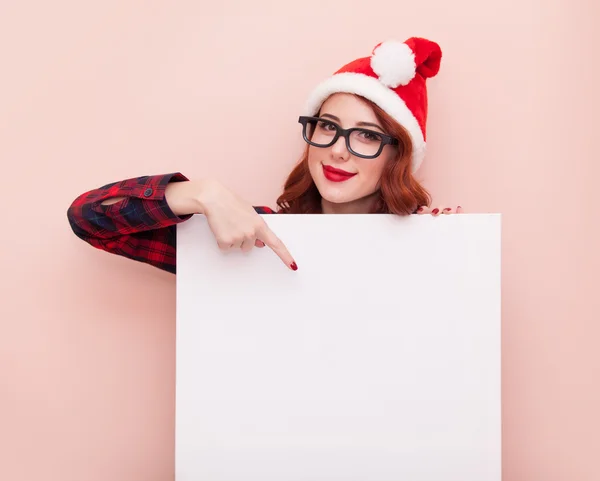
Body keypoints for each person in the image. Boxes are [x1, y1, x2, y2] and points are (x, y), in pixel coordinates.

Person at [67, 37, 459, 275]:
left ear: (397, 156)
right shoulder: (252, 239)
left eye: (367, 136)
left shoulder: (428, 245)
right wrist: (201, 194)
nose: (338, 150)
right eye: (327, 126)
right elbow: (89, 218)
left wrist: (445, 248)